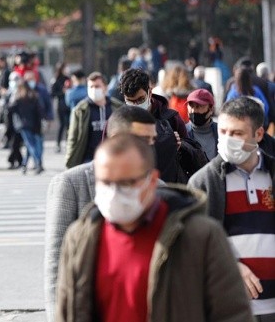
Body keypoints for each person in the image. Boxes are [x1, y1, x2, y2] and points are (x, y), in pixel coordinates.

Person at [56, 134, 253, 322]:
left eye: (127, 182)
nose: (114, 192)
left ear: (152, 181)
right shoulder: (80, 238)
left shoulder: (201, 236)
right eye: (106, 182)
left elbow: (232, 314)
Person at [43, 105, 158, 320]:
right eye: (142, 140)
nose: (149, 148)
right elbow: (56, 264)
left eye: (152, 141)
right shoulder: (70, 184)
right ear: (115, 138)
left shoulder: (157, 187)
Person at [189, 97, 275, 320]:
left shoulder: (271, 174)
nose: (227, 140)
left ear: (258, 134)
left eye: (237, 134)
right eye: (224, 132)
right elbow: (194, 247)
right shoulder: (203, 183)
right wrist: (231, 265)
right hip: (229, 311)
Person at [119, 68, 188, 183]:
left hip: (168, 189)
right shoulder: (118, 122)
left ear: (150, 92)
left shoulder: (171, 119)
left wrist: (181, 145)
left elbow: (191, 154)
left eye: (140, 99)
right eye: (130, 101)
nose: (136, 105)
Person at [65, 72, 123, 168]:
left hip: (113, 158)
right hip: (89, 160)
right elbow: (73, 137)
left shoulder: (117, 107)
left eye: (97, 86)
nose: (94, 90)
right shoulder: (80, 110)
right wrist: (69, 161)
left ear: (105, 87)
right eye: (91, 87)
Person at [9, 80, 47, 174]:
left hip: (24, 125)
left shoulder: (18, 98)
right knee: (30, 145)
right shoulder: (34, 96)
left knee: (30, 145)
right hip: (34, 124)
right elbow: (40, 111)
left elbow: (10, 109)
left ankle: (38, 163)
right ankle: (24, 164)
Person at [185, 88, 218, 160]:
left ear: (211, 109)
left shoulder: (221, 132)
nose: (194, 110)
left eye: (199, 106)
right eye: (191, 106)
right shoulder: (183, 132)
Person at [51, 62, 70, 153]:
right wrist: (62, 92)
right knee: (62, 124)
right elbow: (52, 93)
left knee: (69, 125)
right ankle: (58, 144)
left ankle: (68, 143)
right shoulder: (56, 80)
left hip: (69, 104)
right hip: (61, 105)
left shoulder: (68, 79)